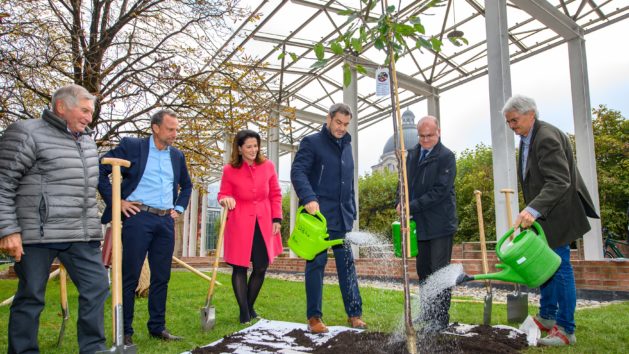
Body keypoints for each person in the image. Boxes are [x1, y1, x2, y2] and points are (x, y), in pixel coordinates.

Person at [0, 84, 109, 353]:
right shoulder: (26, 132)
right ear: (62, 106)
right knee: (31, 295)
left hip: (80, 233)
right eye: (84, 110)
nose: (89, 117)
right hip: (38, 233)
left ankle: (94, 348)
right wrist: (7, 229)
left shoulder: (86, 140)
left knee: (96, 287)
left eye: (91, 112)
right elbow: (3, 181)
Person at [503, 94, 598, 346]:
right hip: (545, 217)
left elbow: (560, 180)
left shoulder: (545, 137)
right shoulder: (527, 137)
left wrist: (532, 210)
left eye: (514, 120)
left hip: (559, 215)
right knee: (546, 267)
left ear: (530, 114)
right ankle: (547, 317)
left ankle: (566, 329)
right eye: (508, 122)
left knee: (561, 269)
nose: (512, 126)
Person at [98, 109, 192, 345]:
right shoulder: (132, 146)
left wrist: (178, 209)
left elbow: (187, 187)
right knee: (130, 275)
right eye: (170, 129)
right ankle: (125, 331)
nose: (175, 134)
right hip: (138, 217)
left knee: (162, 276)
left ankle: (157, 327)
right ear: (155, 128)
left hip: (165, 221)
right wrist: (117, 201)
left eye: (177, 129)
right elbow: (101, 169)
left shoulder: (176, 156)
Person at [290, 102, 366, 334]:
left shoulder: (347, 147)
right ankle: (314, 317)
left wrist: (351, 211)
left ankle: (355, 314)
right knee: (316, 265)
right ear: (328, 119)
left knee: (347, 266)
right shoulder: (312, 142)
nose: (341, 128)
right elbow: (298, 171)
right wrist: (309, 197)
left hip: (342, 218)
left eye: (345, 124)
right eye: (338, 122)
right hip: (319, 218)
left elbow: (349, 183)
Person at [396, 115, 457, 332]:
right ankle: (427, 311)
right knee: (423, 271)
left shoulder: (446, 157)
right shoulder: (412, 154)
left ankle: (440, 319)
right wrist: (399, 201)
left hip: (440, 224)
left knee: (439, 272)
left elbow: (439, 192)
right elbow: (402, 182)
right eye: (421, 136)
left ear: (438, 132)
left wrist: (411, 206)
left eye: (429, 135)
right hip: (419, 224)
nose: (425, 140)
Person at [217, 130, 283, 324]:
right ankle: (244, 312)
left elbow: (276, 194)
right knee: (239, 268)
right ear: (239, 148)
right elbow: (222, 194)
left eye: (256, 146)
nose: (253, 150)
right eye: (249, 146)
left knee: (261, 266)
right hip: (239, 223)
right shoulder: (229, 170)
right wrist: (226, 199)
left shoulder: (268, 166)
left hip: (264, 221)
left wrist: (277, 219)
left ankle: (249, 305)